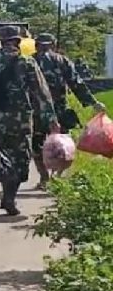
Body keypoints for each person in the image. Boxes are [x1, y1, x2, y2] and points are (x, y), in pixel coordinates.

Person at [0, 25, 58, 215]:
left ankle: (7, 194)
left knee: (2, 157)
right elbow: (41, 92)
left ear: (1, 42)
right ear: (18, 41)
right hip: (21, 119)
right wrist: (51, 118)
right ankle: (9, 197)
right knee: (20, 160)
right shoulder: (26, 63)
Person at [32, 32, 105, 188]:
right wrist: (92, 102)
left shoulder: (31, 61)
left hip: (37, 110)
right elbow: (76, 84)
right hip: (58, 109)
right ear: (53, 44)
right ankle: (57, 176)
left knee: (37, 144)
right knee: (62, 144)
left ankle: (44, 178)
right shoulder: (61, 60)